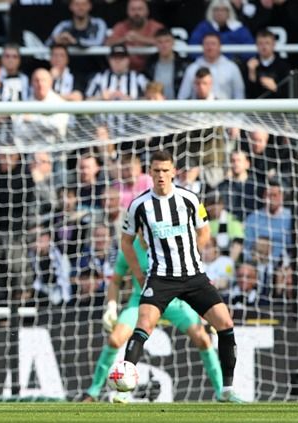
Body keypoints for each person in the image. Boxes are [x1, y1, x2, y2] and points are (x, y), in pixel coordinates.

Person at [121, 150, 242, 402]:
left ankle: (227, 390)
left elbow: (204, 231)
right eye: (156, 171)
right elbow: (126, 242)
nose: (161, 176)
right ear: (150, 173)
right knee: (143, 326)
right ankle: (124, 388)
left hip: (193, 276)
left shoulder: (189, 198)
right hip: (160, 278)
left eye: (166, 170)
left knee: (225, 324)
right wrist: (137, 273)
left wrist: (190, 251)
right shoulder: (139, 205)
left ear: (173, 171)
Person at [81, 235, 223, 402]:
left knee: (203, 340)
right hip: (141, 301)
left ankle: (222, 391)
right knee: (114, 340)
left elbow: (191, 276)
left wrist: (205, 307)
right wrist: (111, 306)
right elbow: (116, 281)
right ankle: (94, 391)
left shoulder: (168, 244)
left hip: (174, 301)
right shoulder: (129, 248)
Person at [178, 34, 245, 100]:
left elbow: (239, 96)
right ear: (202, 46)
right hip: (198, 110)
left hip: (226, 110)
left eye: (213, 44)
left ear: (220, 46)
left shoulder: (232, 68)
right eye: (207, 44)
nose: (210, 47)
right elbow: (183, 96)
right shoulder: (192, 69)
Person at [105, 0, 165, 71]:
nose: (136, 13)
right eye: (133, 9)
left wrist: (140, 39)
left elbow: (166, 42)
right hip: (125, 71)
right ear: (127, 12)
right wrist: (124, 39)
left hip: (152, 70)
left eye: (140, 9)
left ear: (147, 11)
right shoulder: (121, 26)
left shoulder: (156, 26)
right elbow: (108, 43)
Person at [245, 29, 291, 99]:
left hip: (277, 107)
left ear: (274, 44)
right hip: (257, 108)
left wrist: (276, 88)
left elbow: (289, 93)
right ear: (256, 45)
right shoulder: (250, 65)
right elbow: (249, 96)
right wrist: (252, 75)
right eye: (260, 43)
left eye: (267, 43)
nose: (264, 47)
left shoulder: (283, 66)